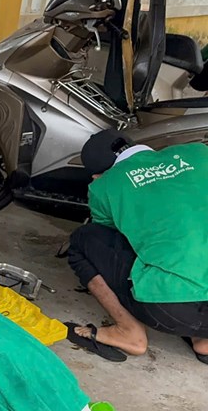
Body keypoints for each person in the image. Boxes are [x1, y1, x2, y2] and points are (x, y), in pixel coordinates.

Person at [64, 130, 208, 363]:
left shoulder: (105, 185)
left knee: (84, 240)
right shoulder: (198, 152)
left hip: (171, 307)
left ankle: (128, 331)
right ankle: (204, 342)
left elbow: (112, 236)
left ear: (97, 174)